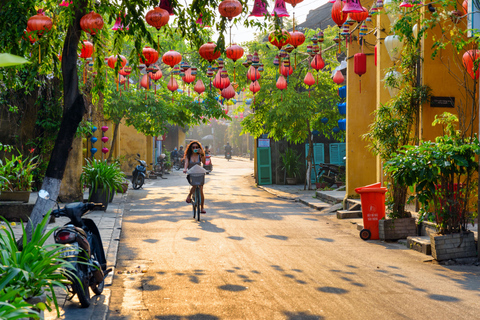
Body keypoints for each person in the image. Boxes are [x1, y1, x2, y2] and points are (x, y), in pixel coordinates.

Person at [183, 140, 206, 213]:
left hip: (199, 173)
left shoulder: (200, 155)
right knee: (195, 185)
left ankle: (202, 208)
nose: (195, 148)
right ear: (191, 148)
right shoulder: (188, 156)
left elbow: (204, 162)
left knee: (201, 189)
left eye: (196, 147)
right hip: (191, 173)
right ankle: (189, 195)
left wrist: (202, 154)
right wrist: (185, 169)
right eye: (193, 147)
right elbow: (186, 163)